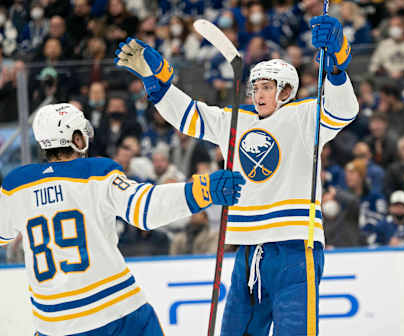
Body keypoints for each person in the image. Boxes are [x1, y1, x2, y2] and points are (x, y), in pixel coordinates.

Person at [115, 14, 358, 336]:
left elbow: (344, 110)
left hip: (296, 247)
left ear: (286, 90)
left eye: (267, 87)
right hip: (248, 250)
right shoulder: (235, 119)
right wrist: (159, 87)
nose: (258, 94)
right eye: (255, 87)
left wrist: (337, 65)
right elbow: (188, 116)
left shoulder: (304, 117)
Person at [0, 103, 245, 336]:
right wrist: (200, 192)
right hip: (114, 314)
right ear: (77, 139)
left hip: (53, 325)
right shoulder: (96, 173)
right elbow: (146, 209)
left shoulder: (16, 186)